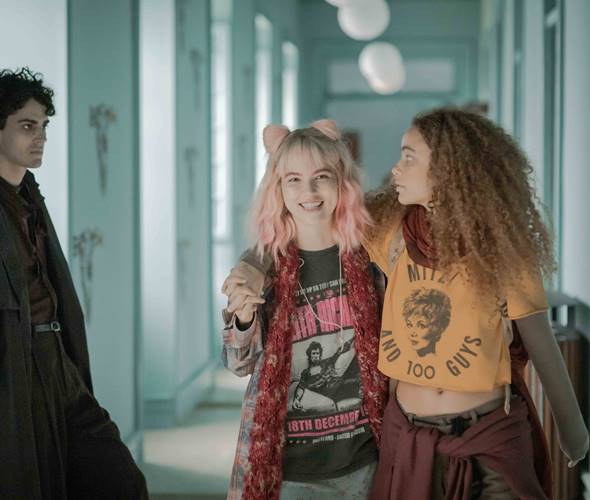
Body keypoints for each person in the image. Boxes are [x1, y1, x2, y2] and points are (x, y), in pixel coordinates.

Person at [230, 108, 589, 499]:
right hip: (408, 431)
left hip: (487, 432)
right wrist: (251, 265)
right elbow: (303, 222)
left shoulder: (503, 250)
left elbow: (541, 343)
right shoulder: (391, 230)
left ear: (448, 168)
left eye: (408, 157)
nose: (395, 168)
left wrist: (572, 429)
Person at [0, 68, 148, 500]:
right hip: (4, 366)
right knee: (17, 485)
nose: (39, 137)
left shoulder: (28, 196)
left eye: (43, 126)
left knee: (119, 479)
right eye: (26, 126)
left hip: (55, 358)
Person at [220, 120, 388, 500]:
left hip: (364, 459)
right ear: (277, 188)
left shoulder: (372, 259)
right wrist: (244, 317)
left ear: (341, 182)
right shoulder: (263, 268)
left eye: (321, 177)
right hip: (286, 467)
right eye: (293, 179)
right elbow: (237, 364)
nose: (308, 192)